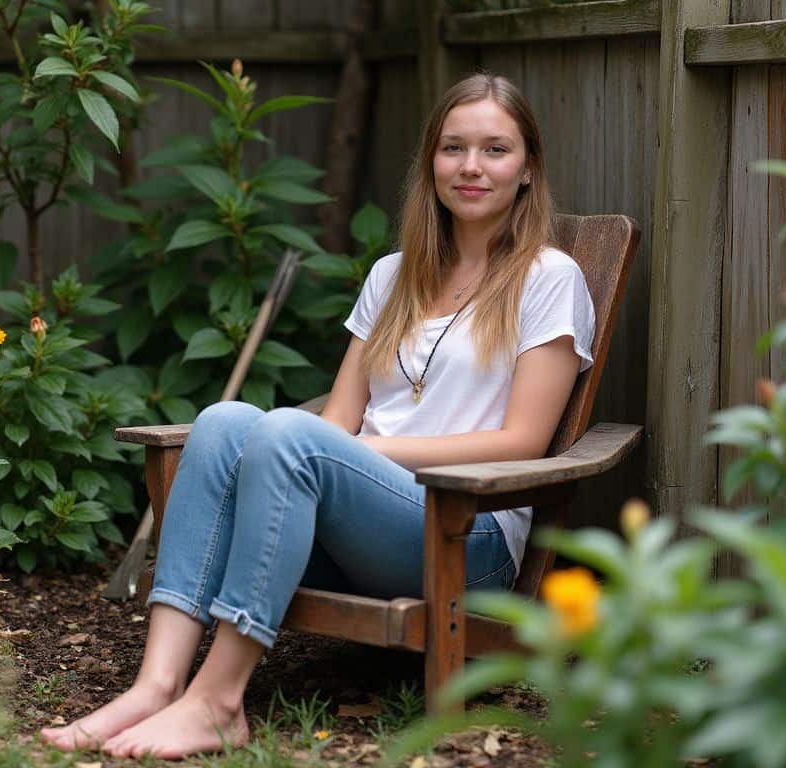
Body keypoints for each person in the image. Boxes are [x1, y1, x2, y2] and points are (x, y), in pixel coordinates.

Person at [40, 72, 595, 760]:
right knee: (223, 421)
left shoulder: (549, 278)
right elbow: (339, 417)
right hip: (365, 526)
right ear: (430, 163)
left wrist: (359, 457)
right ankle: (157, 685)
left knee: (286, 433)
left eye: (495, 150)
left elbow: (523, 441)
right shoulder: (393, 276)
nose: (472, 167)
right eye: (454, 148)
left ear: (528, 169)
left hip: (464, 535)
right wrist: (300, 454)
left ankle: (217, 703)